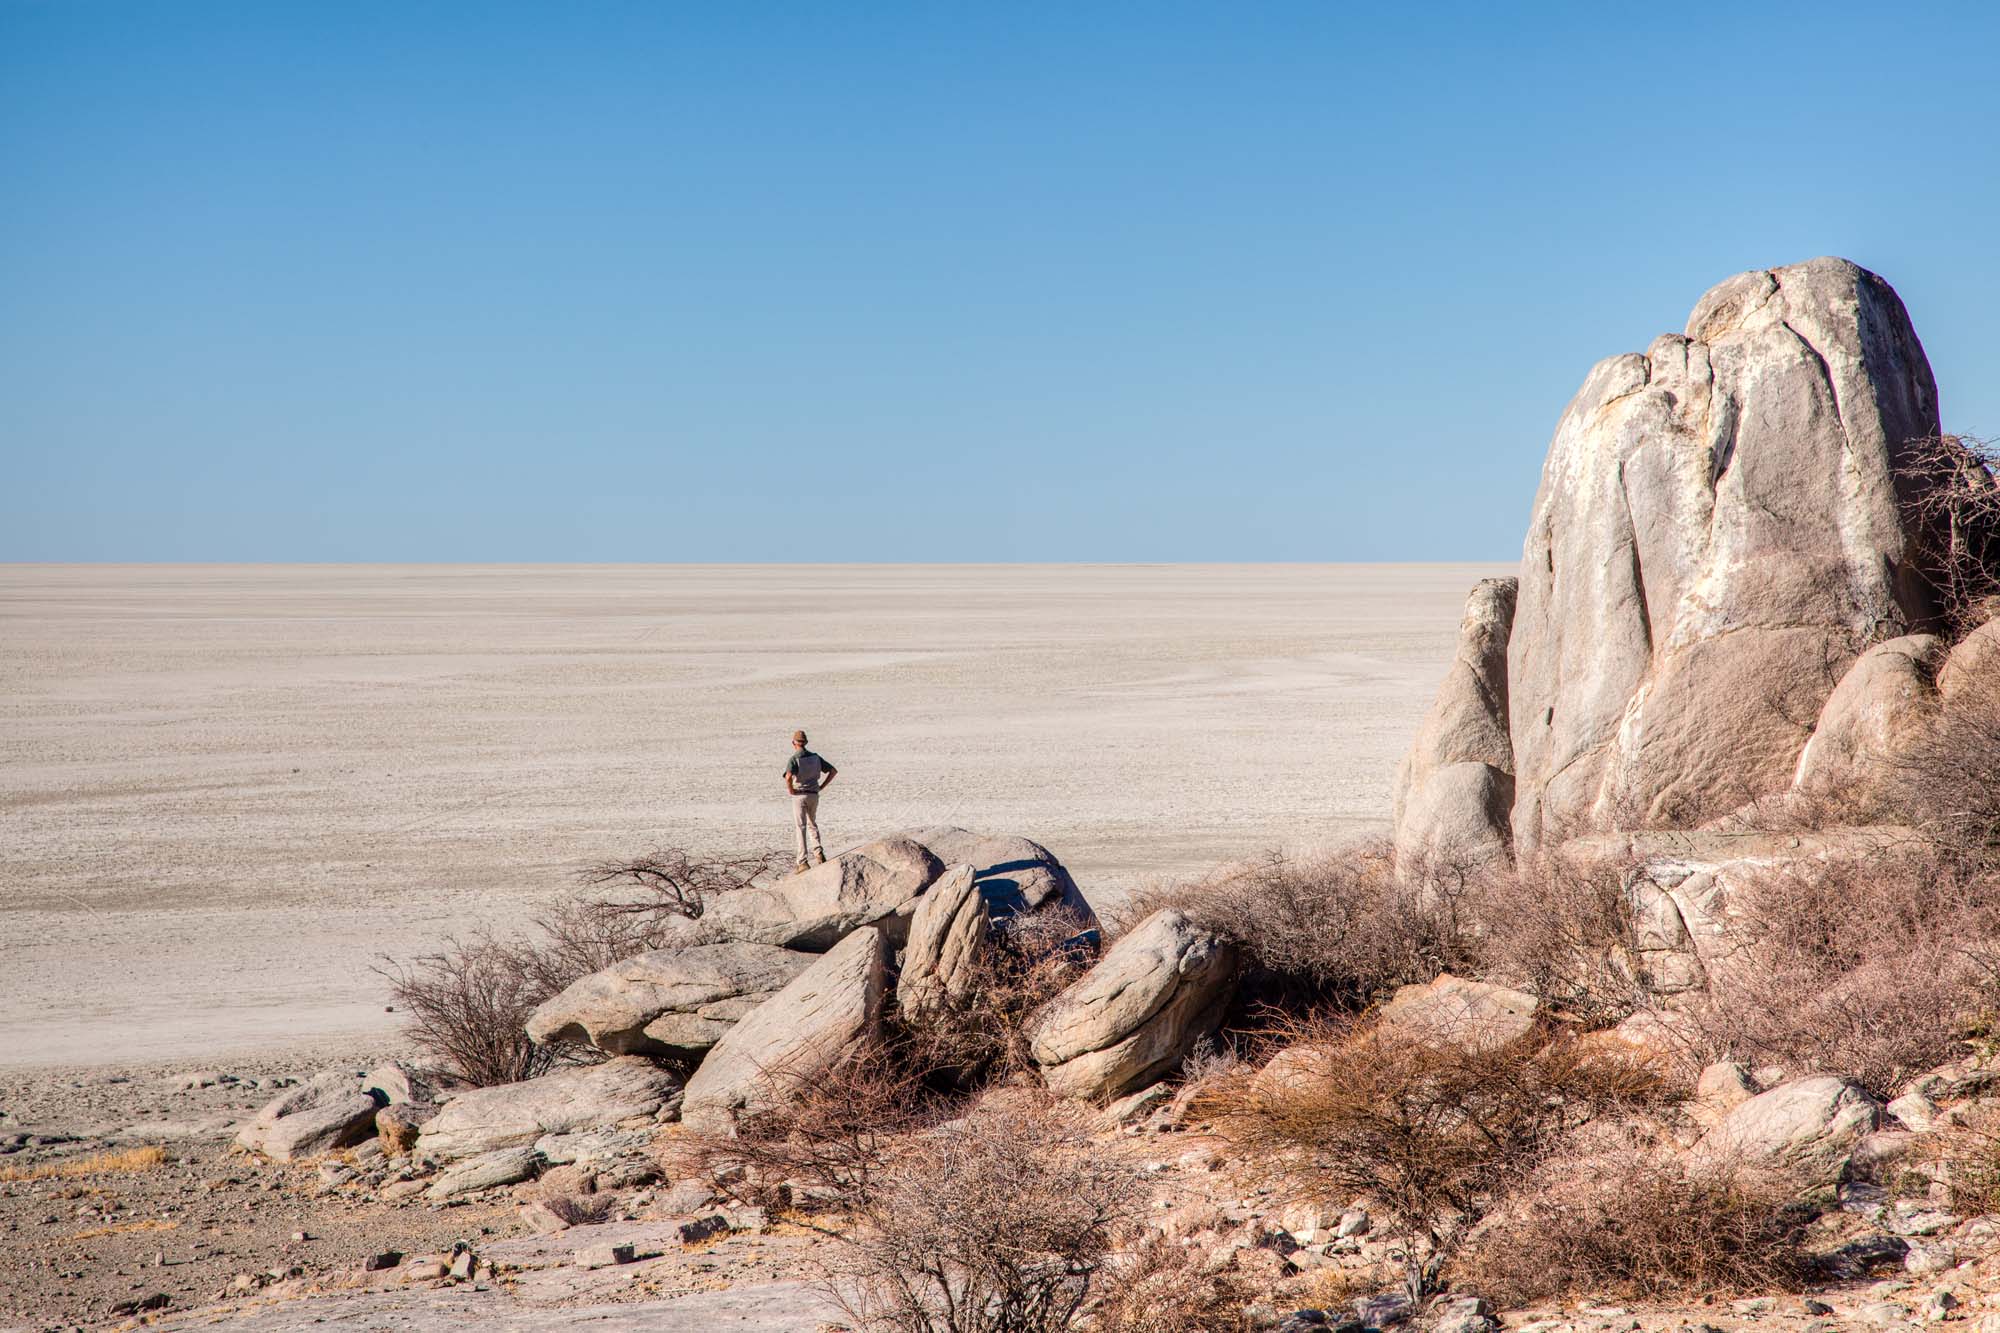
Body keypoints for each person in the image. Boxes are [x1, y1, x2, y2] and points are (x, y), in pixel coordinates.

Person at [783, 729, 837, 872]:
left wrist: (790, 790)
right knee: (812, 823)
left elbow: (788, 777)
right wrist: (821, 786)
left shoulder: (794, 759)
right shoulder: (815, 757)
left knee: (801, 827)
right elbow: (833, 771)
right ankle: (819, 853)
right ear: (806, 743)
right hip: (814, 794)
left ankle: (802, 862)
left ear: (793, 743)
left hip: (799, 795)